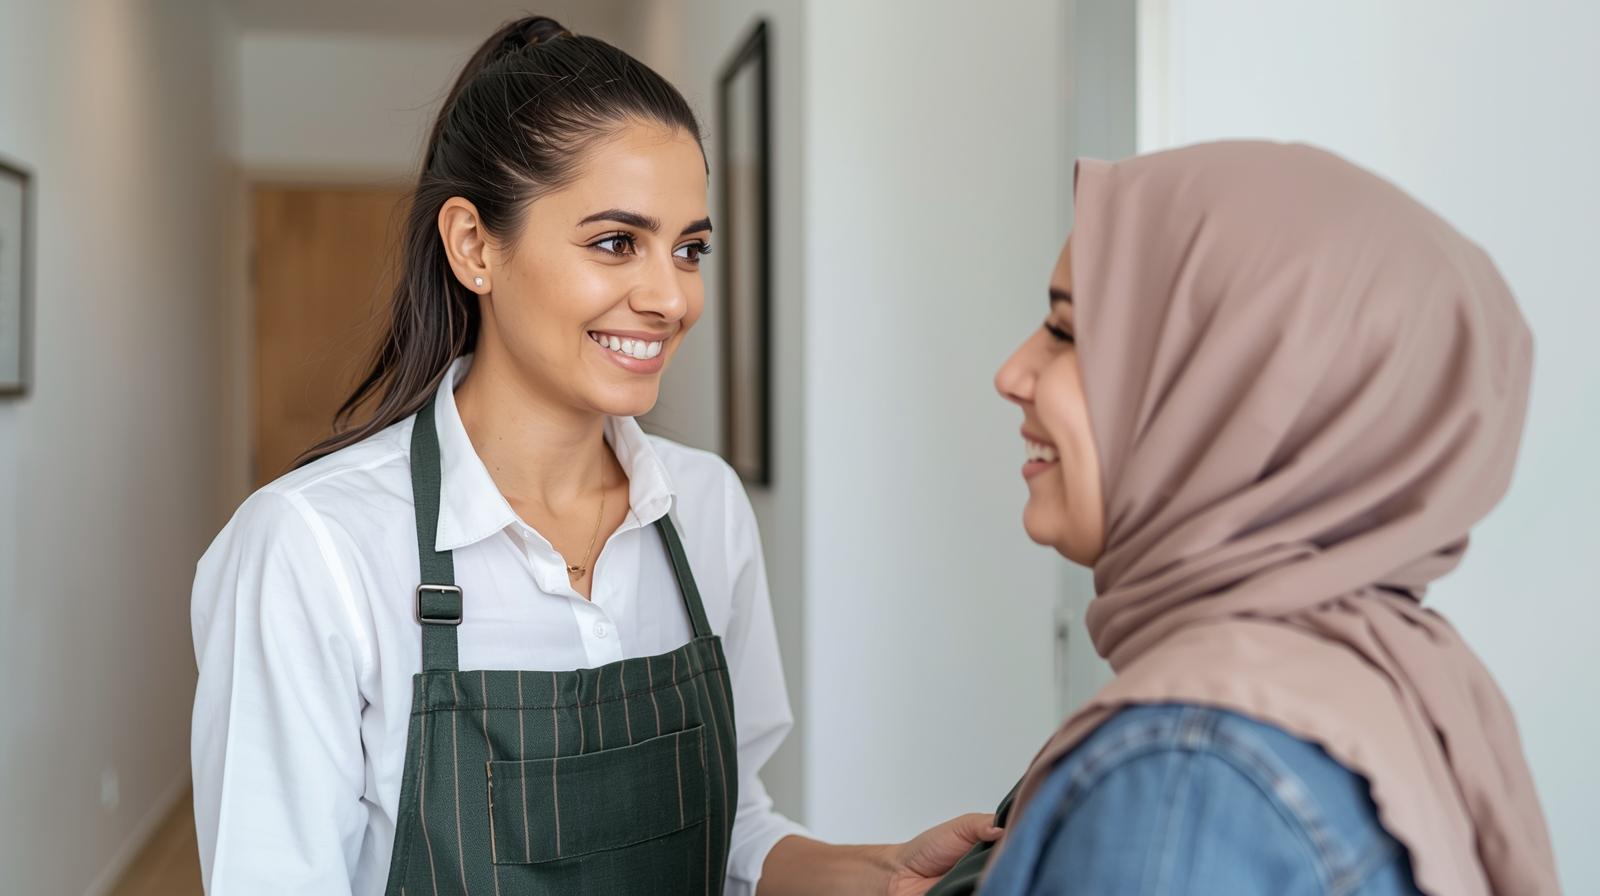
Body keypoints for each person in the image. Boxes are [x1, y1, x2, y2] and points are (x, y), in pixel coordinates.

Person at [190, 16, 992, 896]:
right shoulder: (312, 547)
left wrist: (879, 873)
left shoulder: (706, 510)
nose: (670, 297)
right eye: (616, 242)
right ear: (474, 246)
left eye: (690, 248)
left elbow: (734, 831)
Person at [934, 142, 1558, 895]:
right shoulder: (1394, 678)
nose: (1012, 373)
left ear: (1232, 386)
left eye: (1065, 332)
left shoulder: (1185, 779)